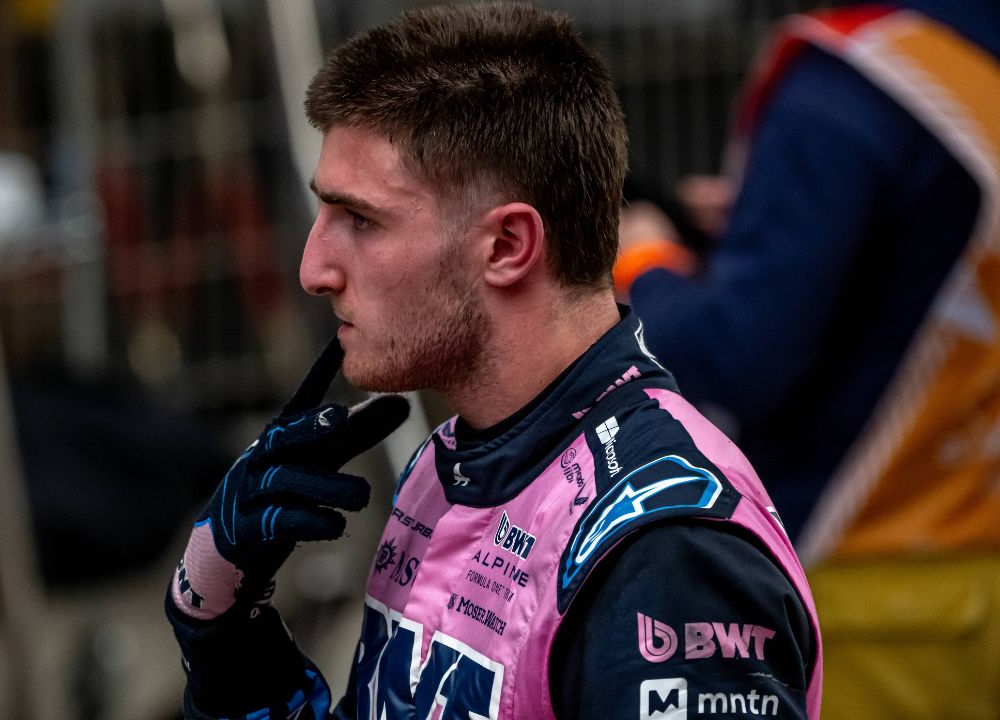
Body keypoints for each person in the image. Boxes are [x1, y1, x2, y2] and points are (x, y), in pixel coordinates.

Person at [164, 4, 823, 718]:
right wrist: (222, 624)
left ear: (508, 246)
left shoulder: (664, 552)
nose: (313, 270)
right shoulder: (448, 466)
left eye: (360, 219)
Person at [621, 1, 1000, 716]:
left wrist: (642, 262)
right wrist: (778, 231)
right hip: (972, 568)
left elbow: (738, 354)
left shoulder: (854, 84)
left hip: (855, 583)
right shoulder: (973, 67)